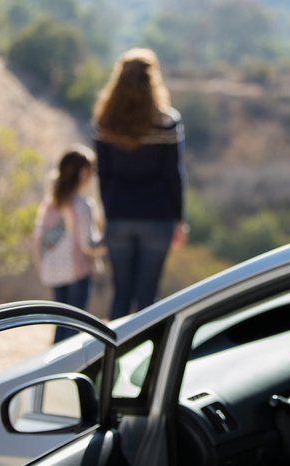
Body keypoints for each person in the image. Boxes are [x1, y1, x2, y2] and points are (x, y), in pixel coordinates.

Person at [92, 48, 188, 321]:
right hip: (157, 216)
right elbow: (174, 174)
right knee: (147, 297)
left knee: (121, 296)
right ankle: (146, 362)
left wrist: (107, 214)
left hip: (118, 215)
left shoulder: (105, 122)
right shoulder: (168, 121)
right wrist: (180, 220)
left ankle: (113, 361)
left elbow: (104, 174)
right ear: (153, 78)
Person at [34, 145, 107, 343]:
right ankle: (66, 368)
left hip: (54, 271)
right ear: (83, 172)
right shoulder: (82, 205)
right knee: (74, 326)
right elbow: (87, 244)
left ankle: (53, 367)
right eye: (91, 170)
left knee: (61, 322)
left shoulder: (50, 203)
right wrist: (108, 243)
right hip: (76, 271)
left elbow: (40, 237)